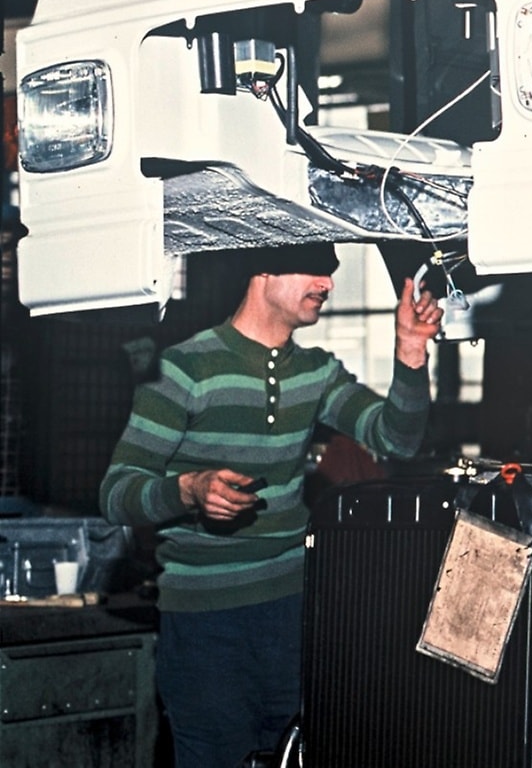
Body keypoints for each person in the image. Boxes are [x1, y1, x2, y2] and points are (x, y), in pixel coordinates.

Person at [99, 242, 443, 768]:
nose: (328, 284)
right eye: (316, 271)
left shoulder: (317, 371)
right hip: (204, 625)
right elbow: (116, 493)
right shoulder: (184, 369)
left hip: (292, 616)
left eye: (331, 273)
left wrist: (411, 356)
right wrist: (187, 490)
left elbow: (397, 440)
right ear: (262, 270)